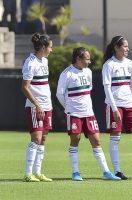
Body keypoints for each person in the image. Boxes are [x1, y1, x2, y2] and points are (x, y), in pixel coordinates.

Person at [56, 47, 120, 181]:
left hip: (88, 113)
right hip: (73, 113)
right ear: (78, 59)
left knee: (96, 140)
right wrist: (68, 108)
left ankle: (106, 172)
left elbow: (88, 90)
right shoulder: (67, 74)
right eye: (87, 58)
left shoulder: (88, 72)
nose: (89, 61)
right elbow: (59, 94)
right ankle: (75, 173)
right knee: (75, 140)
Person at [102, 36, 132, 180]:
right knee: (115, 138)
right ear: (116, 48)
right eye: (124, 46)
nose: (127, 49)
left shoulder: (130, 64)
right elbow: (107, 88)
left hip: (130, 105)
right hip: (115, 106)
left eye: (127, 46)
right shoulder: (108, 65)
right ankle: (117, 171)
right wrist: (114, 108)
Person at [22, 33, 53, 182]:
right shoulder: (30, 62)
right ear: (42, 47)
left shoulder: (44, 61)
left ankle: (38, 172)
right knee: (36, 138)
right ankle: (28, 174)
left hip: (47, 106)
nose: (51, 50)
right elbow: (25, 87)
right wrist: (37, 105)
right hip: (35, 107)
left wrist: (46, 105)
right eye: (50, 47)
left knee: (43, 139)